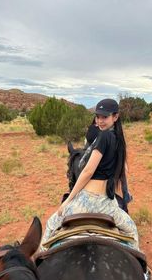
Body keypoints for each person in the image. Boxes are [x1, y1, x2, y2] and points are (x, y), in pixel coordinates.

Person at [40, 99, 139, 250]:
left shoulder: (103, 137)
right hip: (108, 204)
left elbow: (88, 171)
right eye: (98, 117)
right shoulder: (119, 140)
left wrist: (68, 201)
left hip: (88, 201)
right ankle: (143, 272)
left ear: (115, 117)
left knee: (51, 224)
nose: (100, 121)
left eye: (104, 117)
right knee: (132, 231)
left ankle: (39, 260)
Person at [84, 118, 133, 213]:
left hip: (90, 160)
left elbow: (86, 147)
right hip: (103, 163)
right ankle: (126, 196)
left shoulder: (91, 129)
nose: (100, 121)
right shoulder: (108, 133)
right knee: (123, 173)